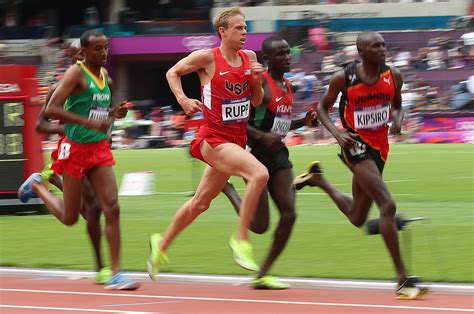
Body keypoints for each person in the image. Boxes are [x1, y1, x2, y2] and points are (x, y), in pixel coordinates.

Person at [292, 31, 429, 300]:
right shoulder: (344, 77)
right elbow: (321, 108)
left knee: (357, 216)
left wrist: (398, 120)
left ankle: (317, 179)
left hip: (380, 148)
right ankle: (402, 279)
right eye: (375, 46)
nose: (382, 49)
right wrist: (338, 134)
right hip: (355, 146)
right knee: (387, 205)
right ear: (362, 52)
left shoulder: (394, 76)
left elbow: (398, 105)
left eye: (383, 45)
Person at [147, 7, 269, 280]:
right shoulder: (207, 58)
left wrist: (258, 80)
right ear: (222, 32)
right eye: (238, 27)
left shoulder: (250, 58)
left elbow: (257, 101)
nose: (244, 32)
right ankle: (241, 240)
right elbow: (172, 73)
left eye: (246, 27)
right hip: (213, 138)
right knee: (259, 174)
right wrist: (182, 99)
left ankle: (161, 245)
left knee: (200, 203)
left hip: (236, 141)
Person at [17, 30, 139, 290]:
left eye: (106, 48)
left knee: (112, 208)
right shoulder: (75, 73)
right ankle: (39, 184)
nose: (104, 53)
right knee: (71, 217)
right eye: (98, 49)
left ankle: (117, 273)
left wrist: (114, 113)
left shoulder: (106, 77)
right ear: (84, 52)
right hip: (75, 151)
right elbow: (50, 111)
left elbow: (102, 114)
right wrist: (85, 122)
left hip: (98, 150)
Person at [221, 36, 318, 289]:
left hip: (278, 156)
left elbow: (280, 124)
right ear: (267, 58)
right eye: (281, 54)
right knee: (260, 226)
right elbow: (236, 121)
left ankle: (263, 273)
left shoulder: (286, 85)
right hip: (254, 155)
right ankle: (228, 188)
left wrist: (303, 123)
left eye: (288, 52)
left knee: (290, 213)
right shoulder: (259, 83)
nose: (288, 57)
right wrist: (262, 136)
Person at [21, 39, 112, 285]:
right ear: (71, 58)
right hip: (70, 148)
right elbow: (41, 124)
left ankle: (50, 179)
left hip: (93, 147)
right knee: (91, 208)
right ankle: (42, 183)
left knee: (91, 210)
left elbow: (102, 113)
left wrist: (105, 131)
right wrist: (72, 125)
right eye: (75, 57)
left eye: (81, 57)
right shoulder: (61, 87)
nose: (79, 61)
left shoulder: (99, 82)